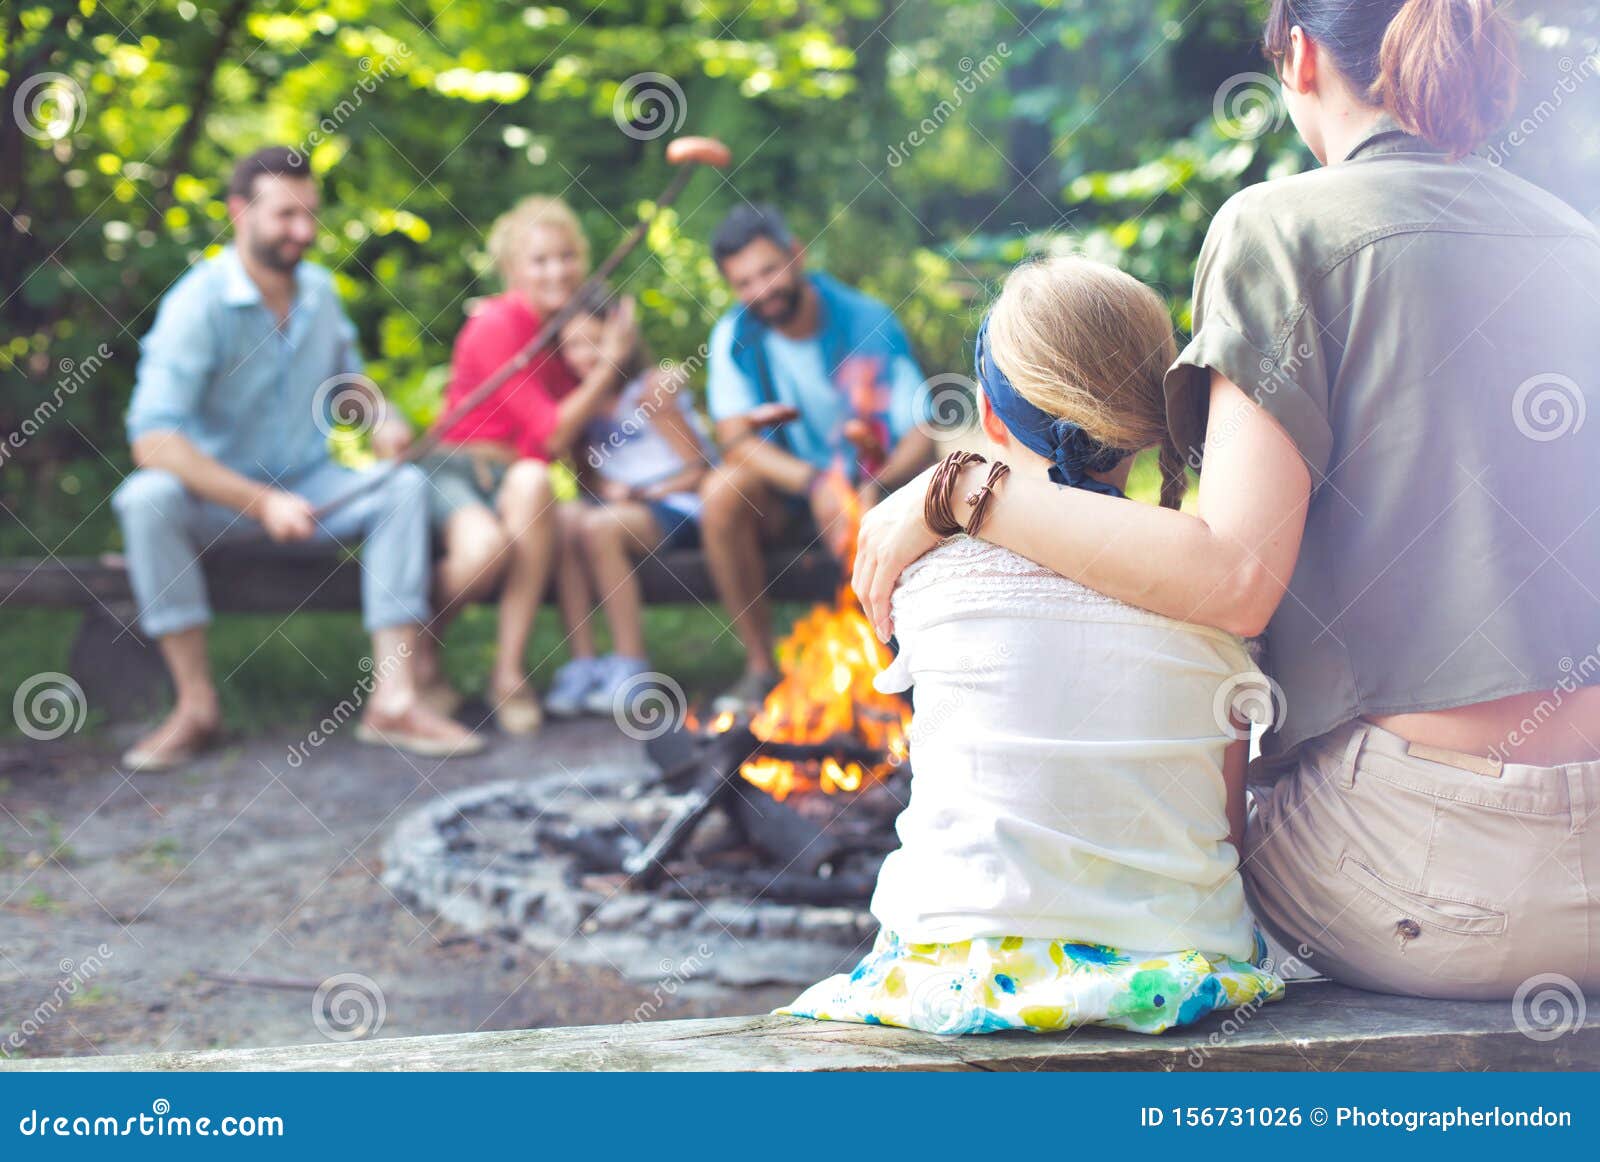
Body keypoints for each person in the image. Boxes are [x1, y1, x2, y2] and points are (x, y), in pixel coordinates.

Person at [852, 0, 1600, 1000]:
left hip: (1428, 886)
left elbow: (1234, 580)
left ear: (1294, 58)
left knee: (1175, 849)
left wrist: (956, 493)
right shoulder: (1575, 238)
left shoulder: (1280, 227)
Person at [780, 258, 1285, 1035]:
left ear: (987, 413)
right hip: (1177, 975)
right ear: (1150, 418)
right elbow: (1221, 829)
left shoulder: (926, 578)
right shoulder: (1208, 583)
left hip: (957, 973)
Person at [113, 146, 482, 770]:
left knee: (404, 487)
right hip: (219, 504)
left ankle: (393, 701)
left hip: (314, 490)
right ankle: (195, 706)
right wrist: (259, 502)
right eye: (286, 215)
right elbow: (152, 441)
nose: (303, 232)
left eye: (310, 215)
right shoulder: (195, 305)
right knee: (144, 497)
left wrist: (385, 421)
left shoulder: (318, 291)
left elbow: (351, 386)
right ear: (239, 212)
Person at [411, 196, 638, 734]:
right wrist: (610, 366)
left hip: (517, 480)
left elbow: (571, 444)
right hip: (455, 469)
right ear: (513, 270)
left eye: (566, 256)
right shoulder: (499, 325)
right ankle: (418, 648)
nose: (556, 270)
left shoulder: (567, 334)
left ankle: (507, 673)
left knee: (538, 483)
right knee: (486, 552)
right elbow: (553, 430)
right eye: (539, 260)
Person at [701, 205, 935, 714]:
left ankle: (887, 673)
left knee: (868, 513)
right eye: (743, 282)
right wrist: (816, 484)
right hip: (788, 491)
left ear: (797, 254)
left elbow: (922, 433)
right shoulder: (733, 336)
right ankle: (761, 667)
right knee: (720, 494)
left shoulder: (865, 318)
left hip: (872, 479)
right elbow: (735, 437)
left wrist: (869, 486)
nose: (761, 291)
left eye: (769, 271)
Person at [544, 288, 716, 717]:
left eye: (595, 341)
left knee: (601, 527)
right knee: (564, 518)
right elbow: (591, 483)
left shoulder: (649, 392)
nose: (585, 356)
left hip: (677, 507)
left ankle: (631, 668)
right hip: (620, 513)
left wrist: (640, 493)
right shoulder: (583, 409)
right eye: (573, 346)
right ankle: (584, 664)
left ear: (620, 338)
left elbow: (701, 471)